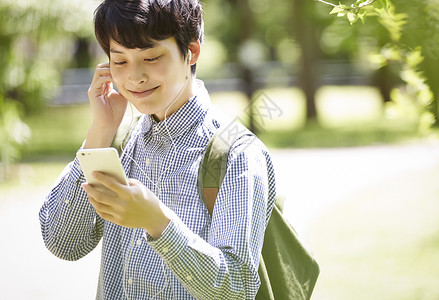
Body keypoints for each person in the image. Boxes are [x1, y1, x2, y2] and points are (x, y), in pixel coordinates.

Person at [39, 0, 276, 299]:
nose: (134, 77)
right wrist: (100, 131)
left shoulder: (237, 154)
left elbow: (237, 287)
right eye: (120, 61)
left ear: (191, 52)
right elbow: (63, 243)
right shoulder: (118, 143)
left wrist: (158, 223)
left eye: (151, 58)